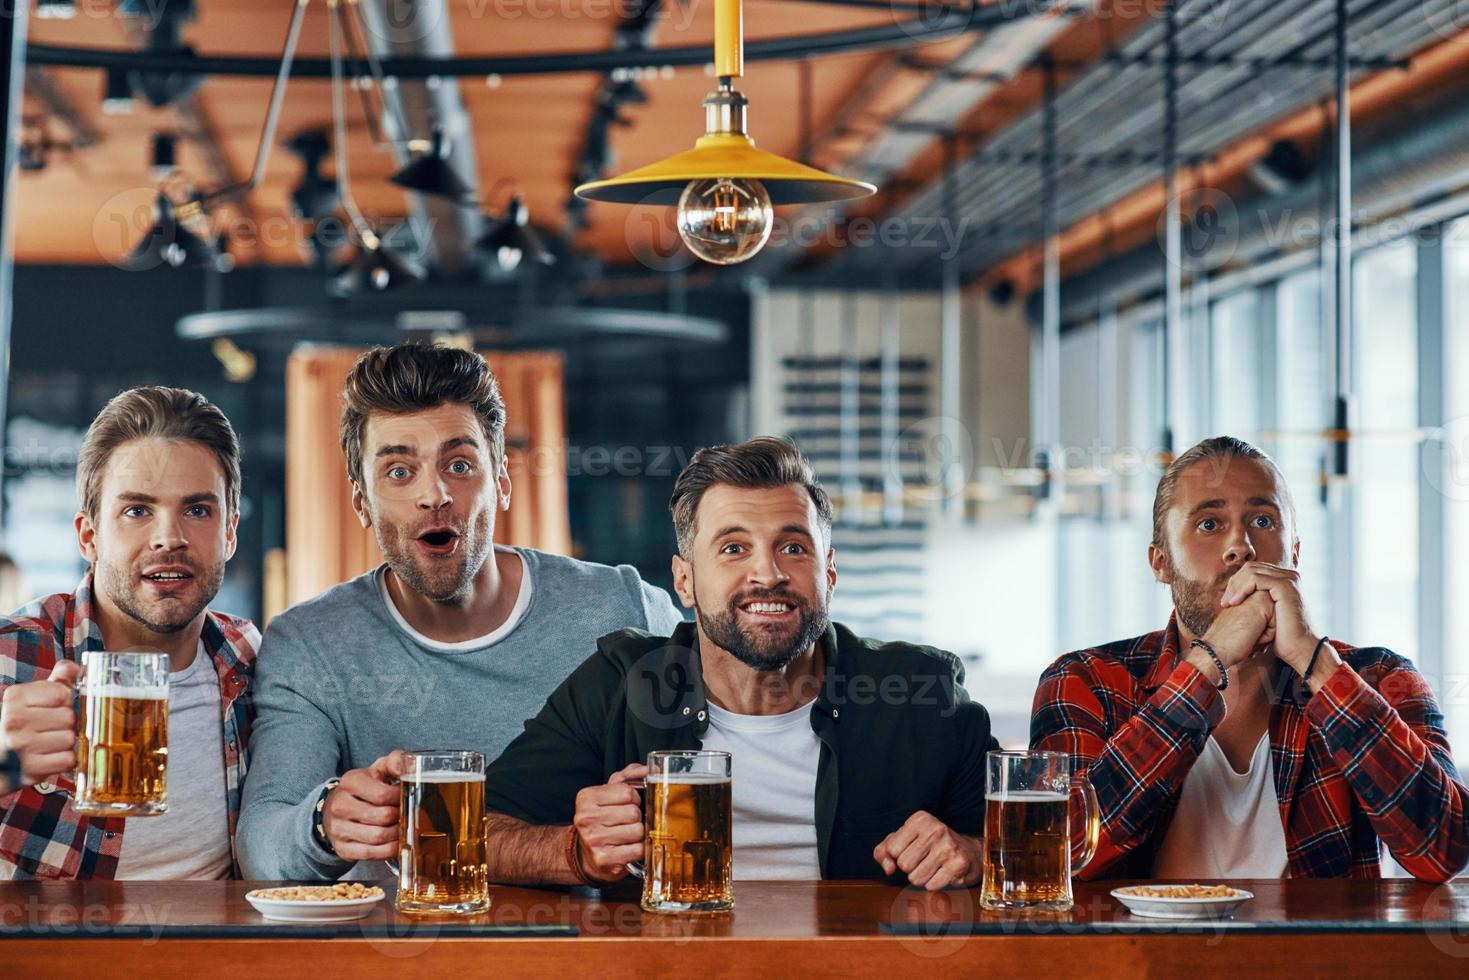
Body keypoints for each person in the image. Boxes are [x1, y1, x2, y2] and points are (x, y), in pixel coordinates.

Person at [237, 342, 684, 881]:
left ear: (501, 483)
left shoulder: (622, 607)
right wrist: (323, 823)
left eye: (459, 464)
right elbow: (261, 848)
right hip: (389, 957)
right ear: (362, 502)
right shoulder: (310, 644)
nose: (434, 493)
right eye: (399, 472)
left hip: (582, 954)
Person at [482, 437, 998, 890]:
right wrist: (576, 853)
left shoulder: (921, 691)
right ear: (684, 581)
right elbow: (477, 834)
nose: (767, 573)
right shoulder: (619, 681)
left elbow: (1046, 844)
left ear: (830, 573)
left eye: (793, 547)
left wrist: (973, 854)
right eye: (733, 548)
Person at [1031, 436, 1469, 881]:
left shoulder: (1380, 677)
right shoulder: (1084, 680)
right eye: (1208, 524)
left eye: (1263, 520)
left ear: (1294, 555)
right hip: (1142, 951)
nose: (1241, 547)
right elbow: (1057, 855)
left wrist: (1314, 662)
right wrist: (1208, 664)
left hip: (1318, 952)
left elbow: (1444, 851)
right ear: (1160, 563)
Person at [0, 387, 258, 880]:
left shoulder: (251, 660)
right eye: (137, 511)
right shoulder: (12, 653)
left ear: (230, 533)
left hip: (218, 957)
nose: (170, 537)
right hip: (46, 958)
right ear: (88, 536)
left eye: (198, 510)